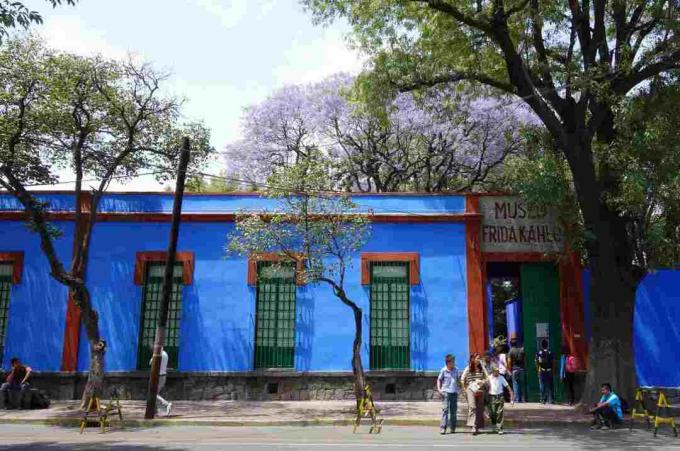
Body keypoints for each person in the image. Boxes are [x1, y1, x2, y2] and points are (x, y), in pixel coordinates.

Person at [461, 353, 487, 435]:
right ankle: (472, 426)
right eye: (477, 358)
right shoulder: (468, 368)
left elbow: (487, 377)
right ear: (473, 359)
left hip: (480, 389)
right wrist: (465, 389)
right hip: (471, 389)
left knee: (480, 408)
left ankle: (477, 426)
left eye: (480, 358)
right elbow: (462, 379)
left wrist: (482, 382)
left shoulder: (482, 368)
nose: (479, 360)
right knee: (472, 406)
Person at [436, 354, 459, 434]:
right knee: (445, 410)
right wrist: (439, 389)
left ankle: (453, 427)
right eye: (452, 361)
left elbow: (458, 380)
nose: (454, 363)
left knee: (453, 411)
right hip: (445, 392)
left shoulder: (456, 370)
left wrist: (459, 389)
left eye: (454, 361)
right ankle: (443, 428)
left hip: (454, 392)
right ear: (448, 363)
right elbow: (439, 380)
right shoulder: (443, 370)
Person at [487, 366, 514, 434]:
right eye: (495, 371)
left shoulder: (501, 377)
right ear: (492, 371)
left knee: (500, 413)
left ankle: (500, 428)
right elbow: (485, 385)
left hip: (500, 396)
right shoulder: (489, 377)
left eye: (498, 371)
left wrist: (511, 397)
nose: (497, 372)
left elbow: (507, 386)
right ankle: (494, 424)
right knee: (492, 412)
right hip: (491, 397)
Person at [150, 347, 172, 416]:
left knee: (153, 394)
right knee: (154, 394)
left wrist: (153, 355)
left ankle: (166, 405)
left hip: (158, 376)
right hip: (163, 376)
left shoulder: (158, 354)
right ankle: (155, 411)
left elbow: (150, 363)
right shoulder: (165, 353)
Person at [535, 339, 554, 404]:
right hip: (549, 370)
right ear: (547, 345)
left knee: (542, 385)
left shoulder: (539, 352)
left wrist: (538, 370)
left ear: (541, 345)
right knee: (550, 385)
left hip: (542, 370)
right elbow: (553, 362)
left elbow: (536, 362)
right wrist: (553, 371)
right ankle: (551, 399)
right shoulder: (550, 352)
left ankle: (542, 399)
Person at [507, 338, 526, 403]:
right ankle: (523, 399)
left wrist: (509, 369)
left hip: (515, 369)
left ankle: (517, 399)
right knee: (522, 384)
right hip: (521, 369)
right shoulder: (521, 350)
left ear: (511, 344)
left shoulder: (511, 351)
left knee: (515, 384)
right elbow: (525, 359)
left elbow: (509, 361)